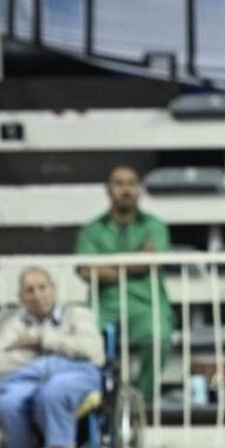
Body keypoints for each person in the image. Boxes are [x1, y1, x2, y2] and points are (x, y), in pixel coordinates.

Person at [0, 267, 104, 448]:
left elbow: (93, 352)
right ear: (21, 296)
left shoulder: (77, 315)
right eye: (29, 290)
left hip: (76, 375)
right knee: (7, 402)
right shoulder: (12, 324)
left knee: (52, 393)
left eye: (42, 287)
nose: (37, 295)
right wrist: (48, 362)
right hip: (27, 379)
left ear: (53, 289)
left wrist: (42, 341)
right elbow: (2, 362)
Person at [75, 165, 174, 406]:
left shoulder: (155, 225)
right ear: (108, 190)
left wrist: (106, 266)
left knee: (159, 337)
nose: (125, 189)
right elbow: (86, 270)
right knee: (82, 340)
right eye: (119, 184)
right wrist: (136, 260)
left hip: (145, 305)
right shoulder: (91, 230)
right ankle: (97, 404)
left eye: (131, 183)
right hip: (103, 305)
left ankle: (141, 403)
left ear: (139, 190)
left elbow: (151, 261)